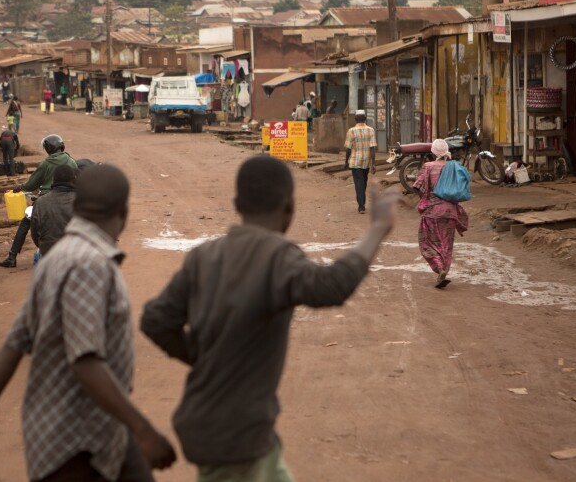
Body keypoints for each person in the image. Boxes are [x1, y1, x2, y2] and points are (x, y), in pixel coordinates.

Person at [140, 156, 397, 481]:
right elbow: (331, 286)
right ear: (289, 207)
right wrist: (377, 229)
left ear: (236, 203)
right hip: (235, 434)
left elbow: (155, 320)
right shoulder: (277, 255)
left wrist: (202, 357)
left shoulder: (203, 256)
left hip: (221, 424)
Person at [0, 164, 177, 481]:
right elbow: (85, 361)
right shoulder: (89, 264)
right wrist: (144, 428)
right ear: (122, 212)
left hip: (94, 431)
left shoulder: (55, 259)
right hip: (76, 442)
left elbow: (14, 345)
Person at [0, 134, 78, 268]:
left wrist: (20, 187)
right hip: (69, 197)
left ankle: (12, 256)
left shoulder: (46, 164)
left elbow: (31, 185)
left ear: (48, 148)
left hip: (46, 197)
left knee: (25, 223)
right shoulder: (72, 161)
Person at [412, 139, 469, 289]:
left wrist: (426, 198)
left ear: (433, 152)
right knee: (446, 244)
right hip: (450, 212)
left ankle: (439, 268)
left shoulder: (428, 167)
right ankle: (444, 270)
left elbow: (417, 186)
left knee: (427, 242)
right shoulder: (454, 167)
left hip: (431, 212)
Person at [30, 163, 77, 258]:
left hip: (49, 253)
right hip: (76, 253)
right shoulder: (83, 200)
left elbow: (34, 234)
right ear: (74, 180)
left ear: (53, 180)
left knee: (37, 257)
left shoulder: (40, 202)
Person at [344, 110, 377, 214]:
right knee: (363, 182)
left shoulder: (351, 131)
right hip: (366, 161)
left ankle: (361, 205)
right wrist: (374, 163)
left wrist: (346, 161)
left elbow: (348, 148)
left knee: (359, 183)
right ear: (365, 118)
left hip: (355, 161)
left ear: (355, 119)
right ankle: (362, 202)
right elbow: (372, 148)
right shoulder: (371, 130)